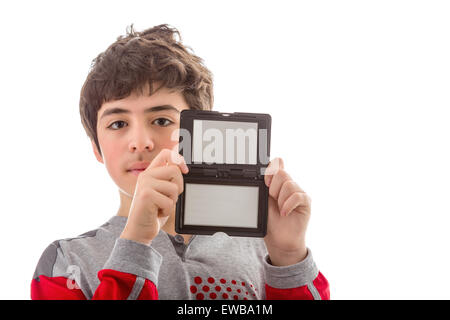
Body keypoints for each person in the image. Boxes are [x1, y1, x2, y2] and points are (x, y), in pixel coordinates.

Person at [31, 24, 330, 300]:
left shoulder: (266, 253)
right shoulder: (66, 261)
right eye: (118, 124)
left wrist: (289, 258)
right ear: (96, 148)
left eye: (161, 120)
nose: (141, 142)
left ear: (201, 133)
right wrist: (135, 241)